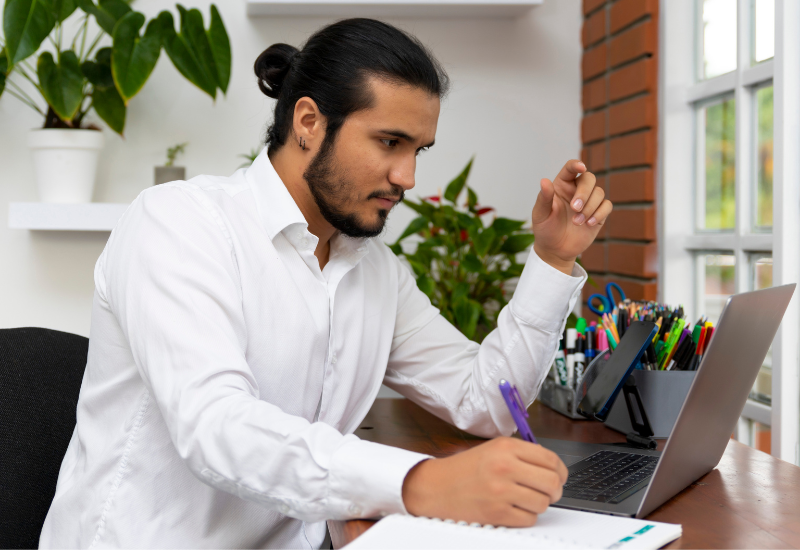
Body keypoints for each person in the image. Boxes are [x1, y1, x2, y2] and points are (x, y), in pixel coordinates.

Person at [40, 18, 612, 549]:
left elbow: (486, 401)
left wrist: (553, 258)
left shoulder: (375, 270)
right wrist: (421, 483)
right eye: (390, 142)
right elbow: (216, 426)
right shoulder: (179, 224)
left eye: (419, 150)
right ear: (309, 123)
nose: (407, 178)